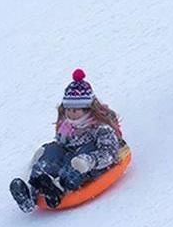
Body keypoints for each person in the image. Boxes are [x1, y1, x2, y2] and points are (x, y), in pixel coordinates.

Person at [9, 70, 124, 212]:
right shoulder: (66, 124)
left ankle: (58, 188)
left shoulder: (101, 128)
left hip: (87, 164)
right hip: (69, 155)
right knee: (51, 151)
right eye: (68, 109)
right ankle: (31, 193)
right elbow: (61, 146)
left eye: (75, 110)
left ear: (88, 109)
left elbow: (110, 153)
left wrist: (90, 161)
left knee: (77, 159)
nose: (70, 113)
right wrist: (47, 152)